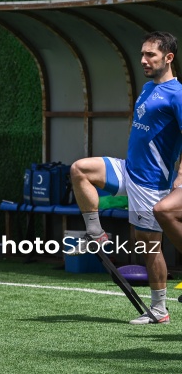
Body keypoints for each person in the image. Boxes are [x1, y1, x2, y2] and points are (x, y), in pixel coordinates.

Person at [70, 31, 182, 325]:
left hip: (151, 183)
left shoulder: (178, 95)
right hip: (128, 169)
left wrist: (180, 177)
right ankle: (96, 233)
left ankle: (159, 310)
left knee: (147, 245)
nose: (143, 60)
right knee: (80, 169)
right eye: (142, 54)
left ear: (168, 58)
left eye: (151, 55)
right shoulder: (147, 88)